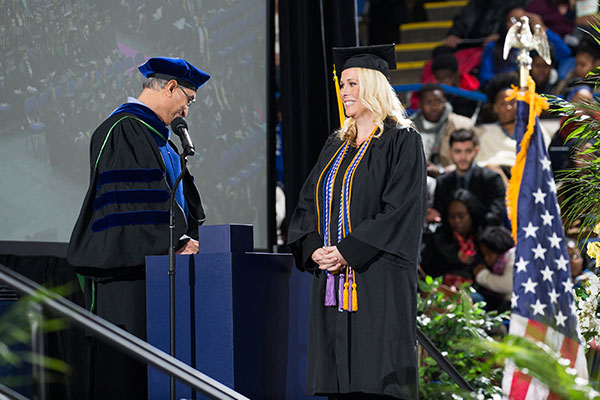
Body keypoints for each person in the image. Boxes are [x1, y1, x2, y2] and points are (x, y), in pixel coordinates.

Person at [287, 44, 426, 399]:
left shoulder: (402, 140)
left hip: (377, 278)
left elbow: (400, 210)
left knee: (376, 380)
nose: (345, 92)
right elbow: (307, 206)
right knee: (338, 382)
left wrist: (348, 251)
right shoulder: (336, 145)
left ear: (373, 86)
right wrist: (314, 248)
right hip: (332, 283)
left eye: (352, 84)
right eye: (343, 85)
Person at [67, 57, 209, 400]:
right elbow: (129, 206)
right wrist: (176, 240)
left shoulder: (159, 139)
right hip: (126, 282)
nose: (187, 111)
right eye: (188, 100)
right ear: (171, 87)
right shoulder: (124, 129)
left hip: (156, 275)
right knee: (126, 377)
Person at [430, 129, 506, 226]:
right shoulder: (442, 182)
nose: (463, 157)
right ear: (450, 152)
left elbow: (496, 216)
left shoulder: (492, 179)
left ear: (476, 151)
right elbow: (440, 216)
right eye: (458, 151)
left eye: (468, 151)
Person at [421, 189, 487, 283]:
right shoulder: (438, 238)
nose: (456, 221)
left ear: (472, 214)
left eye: (461, 216)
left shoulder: (483, 237)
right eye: (451, 216)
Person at [410, 83, 476, 171]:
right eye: (428, 102)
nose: (433, 107)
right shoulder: (409, 127)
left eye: (437, 102)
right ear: (420, 104)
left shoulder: (462, 124)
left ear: (444, 102)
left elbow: (471, 161)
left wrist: (441, 172)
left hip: (451, 177)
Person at [472, 226, 515, 311]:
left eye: (489, 254)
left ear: (500, 248)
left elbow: (507, 285)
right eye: (484, 255)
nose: (486, 259)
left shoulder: (513, 255)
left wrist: (482, 275)